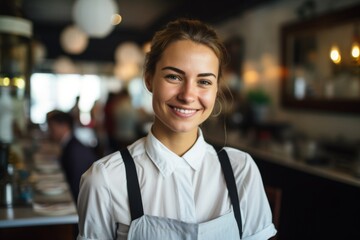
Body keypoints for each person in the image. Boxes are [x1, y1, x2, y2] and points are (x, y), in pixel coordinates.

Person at [77, 18, 277, 240]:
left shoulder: (241, 170)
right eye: (174, 76)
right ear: (149, 79)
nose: (188, 95)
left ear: (216, 89)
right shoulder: (105, 179)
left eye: (204, 82)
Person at [46, 110, 97, 203]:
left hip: (81, 200)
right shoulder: (70, 144)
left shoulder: (75, 150)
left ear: (64, 126)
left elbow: (76, 184)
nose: (49, 131)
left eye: (52, 128)